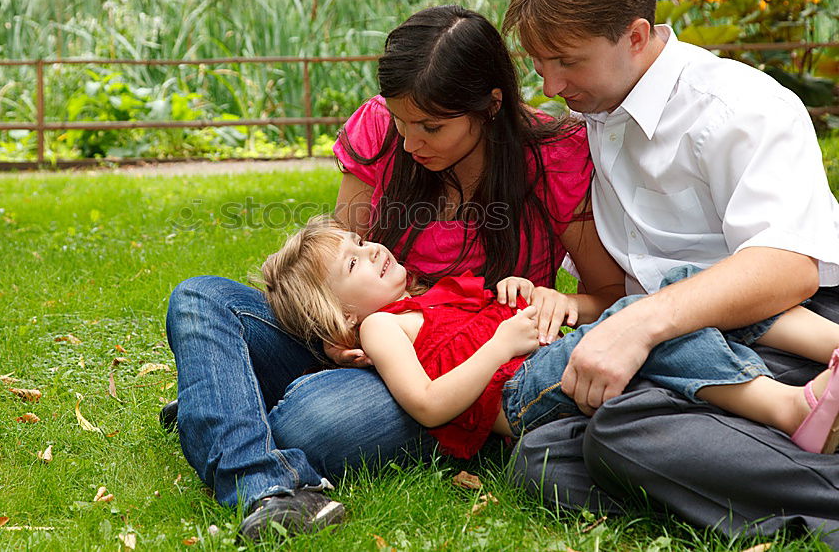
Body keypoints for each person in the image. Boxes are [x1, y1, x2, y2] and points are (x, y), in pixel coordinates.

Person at [164, 5, 625, 540]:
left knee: (308, 424)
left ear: (491, 105)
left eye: (432, 127)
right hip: (359, 336)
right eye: (402, 121)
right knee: (201, 298)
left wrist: (557, 300)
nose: (410, 142)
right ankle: (266, 487)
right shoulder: (380, 131)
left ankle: (220, 402)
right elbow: (331, 266)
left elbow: (608, 294)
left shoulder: (552, 157)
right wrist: (331, 332)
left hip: (448, 374)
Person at [502, 0, 839, 546]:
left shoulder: (739, 106)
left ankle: (784, 449)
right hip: (683, 341)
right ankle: (780, 459)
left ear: (634, 36)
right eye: (539, 64)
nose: (550, 87)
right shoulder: (595, 113)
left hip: (791, 325)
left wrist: (641, 323)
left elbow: (790, 266)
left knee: (620, 428)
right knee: (542, 455)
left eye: (567, 62)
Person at [261, 217, 839, 462]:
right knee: (646, 316)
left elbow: (501, 322)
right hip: (518, 399)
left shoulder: (430, 298)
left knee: (690, 290)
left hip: (546, 359)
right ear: (340, 319)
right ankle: (789, 408)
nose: (373, 250)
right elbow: (430, 405)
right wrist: (503, 342)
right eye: (354, 264)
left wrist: (523, 294)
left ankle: (829, 345)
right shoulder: (381, 327)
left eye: (361, 242)